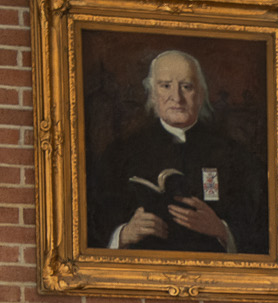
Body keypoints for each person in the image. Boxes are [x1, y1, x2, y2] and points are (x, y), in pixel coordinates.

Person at [90, 50, 267, 255]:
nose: (177, 97)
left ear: (200, 95)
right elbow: (92, 227)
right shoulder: (120, 154)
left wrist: (223, 231)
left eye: (186, 86)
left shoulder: (234, 156)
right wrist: (123, 235)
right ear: (153, 95)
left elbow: (263, 231)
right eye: (166, 86)